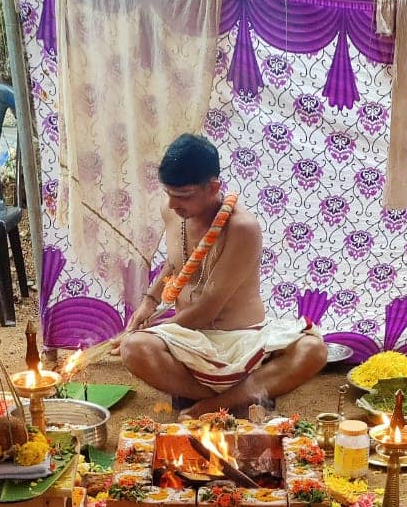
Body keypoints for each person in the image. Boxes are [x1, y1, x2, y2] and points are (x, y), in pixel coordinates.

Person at [119, 134, 328, 417]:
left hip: (242, 340)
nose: (172, 205)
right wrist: (150, 301)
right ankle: (239, 396)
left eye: (182, 196)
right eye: (168, 193)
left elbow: (208, 307)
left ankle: (208, 404)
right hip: (192, 341)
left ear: (213, 187)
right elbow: (177, 264)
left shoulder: (242, 227)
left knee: (313, 350)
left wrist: (158, 330)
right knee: (134, 349)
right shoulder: (173, 211)